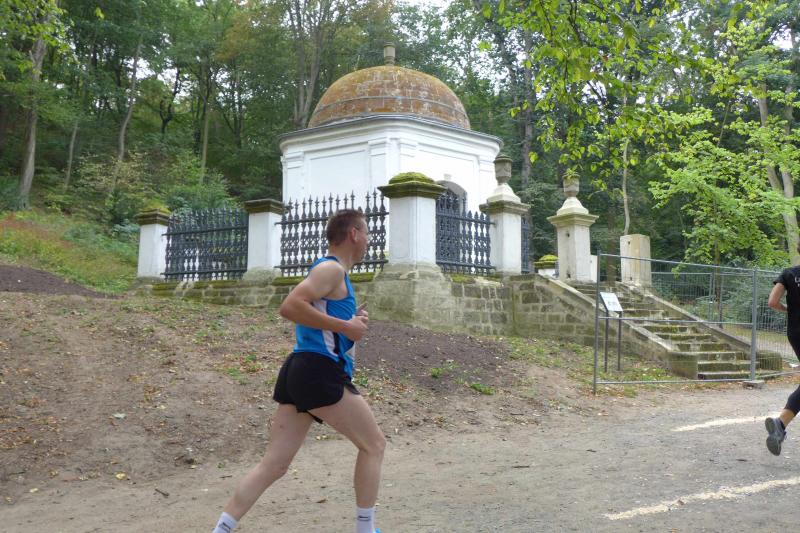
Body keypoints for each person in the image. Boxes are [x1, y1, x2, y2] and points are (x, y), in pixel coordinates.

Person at [212, 209, 385, 533]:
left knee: (274, 464)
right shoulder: (331, 269)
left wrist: (350, 324)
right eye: (367, 233)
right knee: (374, 445)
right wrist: (345, 325)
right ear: (354, 234)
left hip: (300, 370)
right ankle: (366, 530)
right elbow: (290, 306)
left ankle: (220, 530)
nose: (368, 241)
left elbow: (323, 326)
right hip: (318, 371)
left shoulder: (333, 274)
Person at [765, 250, 800, 456]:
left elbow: (772, 302)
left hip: (795, 333)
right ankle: (780, 424)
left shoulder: (789, 274)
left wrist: (791, 309)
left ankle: (780, 426)